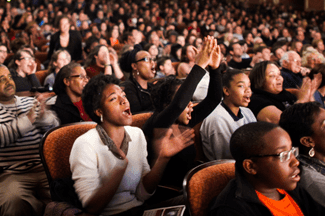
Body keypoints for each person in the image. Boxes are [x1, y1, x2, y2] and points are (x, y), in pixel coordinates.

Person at [70, 74, 194, 216]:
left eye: (123, 95)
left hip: (140, 210)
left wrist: (162, 159)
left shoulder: (136, 135)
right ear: (99, 112)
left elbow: (142, 194)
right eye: (113, 99)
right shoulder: (85, 144)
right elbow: (92, 208)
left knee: (197, 198)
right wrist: (118, 170)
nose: (124, 100)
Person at [0, 64, 59, 216]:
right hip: (8, 173)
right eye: (2, 79)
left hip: (43, 169)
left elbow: (54, 131)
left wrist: (45, 118)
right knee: (13, 202)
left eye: (10, 77)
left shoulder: (28, 102)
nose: (9, 82)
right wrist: (27, 121)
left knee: (73, 194)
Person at [142, 36, 222, 188]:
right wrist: (199, 66)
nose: (190, 105)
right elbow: (178, 105)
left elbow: (213, 99)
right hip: (164, 193)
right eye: (187, 101)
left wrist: (215, 68)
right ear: (167, 104)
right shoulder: (158, 123)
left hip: (187, 188)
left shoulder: (186, 119)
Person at [209, 122, 325, 216]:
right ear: (250, 166)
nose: (295, 161)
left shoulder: (290, 188)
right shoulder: (233, 210)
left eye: (292, 151)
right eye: (283, 155)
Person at [201, 68, 256, 160]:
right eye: (241, 86)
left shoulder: (248, 112)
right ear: (226, 91)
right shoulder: (217, 119)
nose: (248, 90)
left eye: (249, 86)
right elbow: (226, 159)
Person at [248, 61, 318, 124]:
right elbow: (285, 123)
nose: (279, 78)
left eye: (279, 74)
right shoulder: (256, 101)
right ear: (260, 80)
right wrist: (303, 99)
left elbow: (313, 113)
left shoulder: (284, 94)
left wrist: (309, 93)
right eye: (272, 76)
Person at [119, 45, 156, 114]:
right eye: (147, 59)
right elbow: (137, 116)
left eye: (152, 59)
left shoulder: (152, 87)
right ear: (134, 66)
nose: (152, 63)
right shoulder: (128, 88)